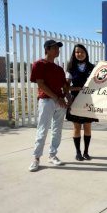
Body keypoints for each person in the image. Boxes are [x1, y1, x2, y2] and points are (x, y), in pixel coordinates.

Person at [28, 39, 71, 172]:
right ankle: (36, 158)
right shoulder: (39, 64)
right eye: (55, 48)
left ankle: (52, 155)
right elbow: (41, 84)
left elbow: (64, 87)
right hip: (47, 101)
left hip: (60, 103)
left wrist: (68, 97)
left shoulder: (59, 69)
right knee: (43, 129)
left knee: (57, 130)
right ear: (47, 49)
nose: (58, 50)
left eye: (58, 48)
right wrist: (57, 98)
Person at [65, 44, 98, 161]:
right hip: (75, 101)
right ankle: (78, 152)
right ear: (74, 54)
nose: (79, 54)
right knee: (77, 128)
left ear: (86, 53)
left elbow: (98, 84)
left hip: (89, 101)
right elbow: (66, 87)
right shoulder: (70, 68)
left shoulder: (93, 67)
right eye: (77, 52)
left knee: (88, 127)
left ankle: (86, 152)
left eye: (82, 52)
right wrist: (72, 97)